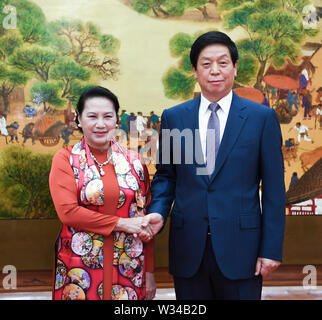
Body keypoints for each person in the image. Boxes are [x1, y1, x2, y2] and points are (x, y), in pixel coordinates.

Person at [148, 31, 285, 300]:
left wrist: (271, 248)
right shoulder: (175, 117)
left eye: (223, 63)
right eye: (206, 64)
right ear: (195, 71)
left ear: (235, 67)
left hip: (242, 249)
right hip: (189, 247)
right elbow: (166, 177)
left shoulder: (261, 118)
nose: (215, 71)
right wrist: (158, 213)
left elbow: (273, 190)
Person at [49, 86, 162, 300]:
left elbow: (143, 221)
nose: (100, 124)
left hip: (129, 266)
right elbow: (68, 213)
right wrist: (122, 224)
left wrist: (150, 273)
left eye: (108, 116)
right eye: (92, 116)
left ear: (116, 121)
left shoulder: (134, 162)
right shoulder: (66, 159)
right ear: (79, 119)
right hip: (80, 267)